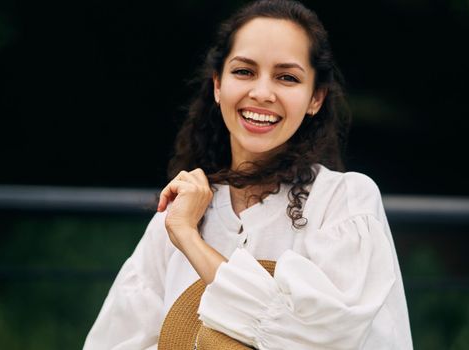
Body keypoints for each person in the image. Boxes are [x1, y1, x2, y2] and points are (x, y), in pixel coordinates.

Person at [84, 0, 413, 348]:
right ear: (217, 84)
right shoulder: (179, 215)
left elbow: (323, 337)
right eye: (244, 71)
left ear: (315, 98)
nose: (261, 93)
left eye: (287, 77)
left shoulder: (344, 201)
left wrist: (192, 242)